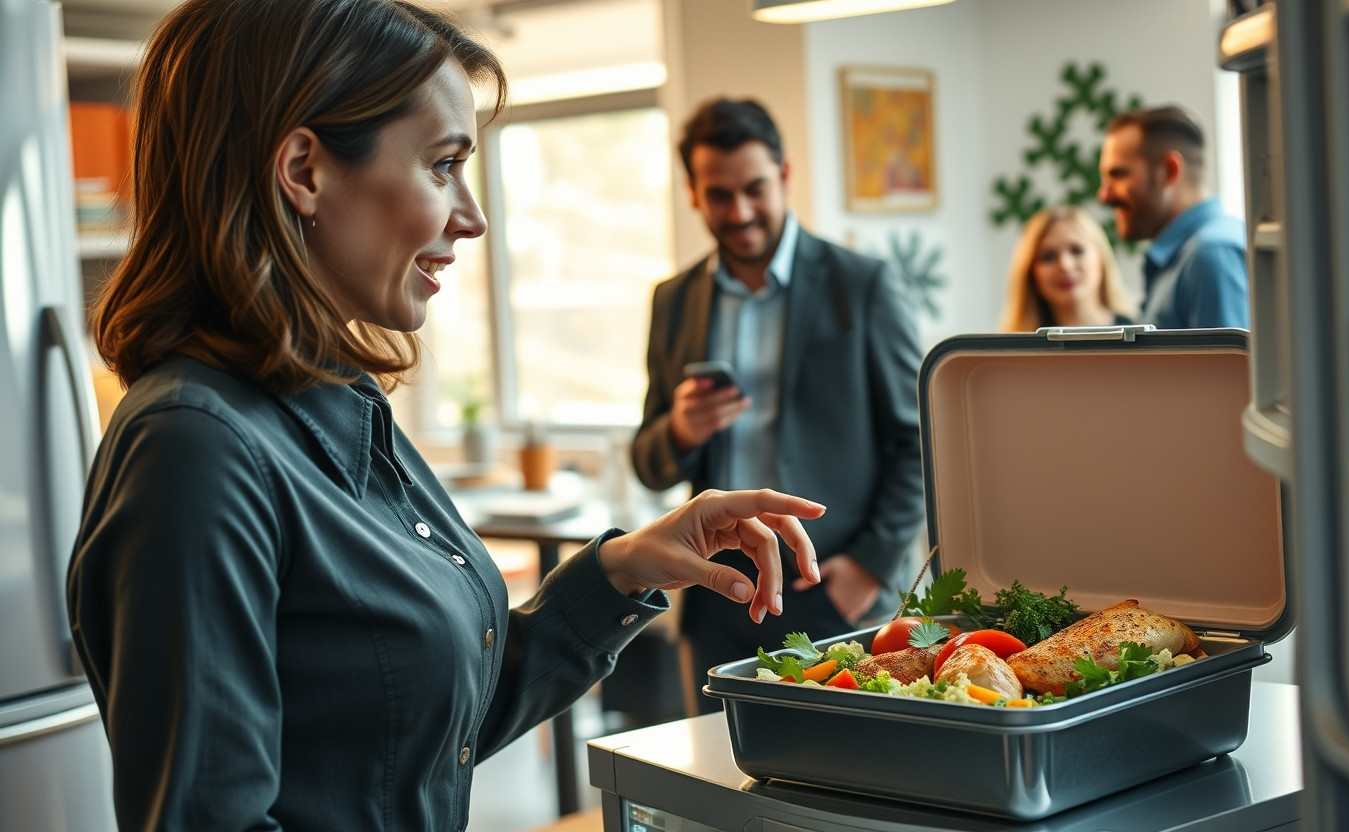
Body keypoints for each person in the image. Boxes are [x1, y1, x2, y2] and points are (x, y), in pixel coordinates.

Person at [65, 3, 826, 830]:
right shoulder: (195, 449)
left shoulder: (337, 403)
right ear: (304, 171)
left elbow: (428, 729)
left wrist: (624, 569)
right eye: (443, 165)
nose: (473, 216)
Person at [631, 98, 926, 713]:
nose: (739, 212)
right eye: (719, 195)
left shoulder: (863, 285)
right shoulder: (674, 300)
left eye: (754, 189)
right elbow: (648, 463)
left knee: (845, 766)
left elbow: (920, 443)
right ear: (692, 193)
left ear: (785, 175)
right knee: (719, 765)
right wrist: (679, 430)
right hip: (716, 591)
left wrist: (869, 567)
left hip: (832, 588)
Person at [1097, 105, 1250, 329]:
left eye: (1118, 174)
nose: (1104, 195)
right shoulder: (1188, 255)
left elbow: (1227, 355)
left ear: (1169, 171)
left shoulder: (1210, 255)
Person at [999, 204, 1136, 332]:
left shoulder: (1140, 336)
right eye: (1048, 257)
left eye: (1077, 251)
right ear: (1031, 274)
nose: (1065, 266)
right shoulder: (1016, 348)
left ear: (1101, 258)